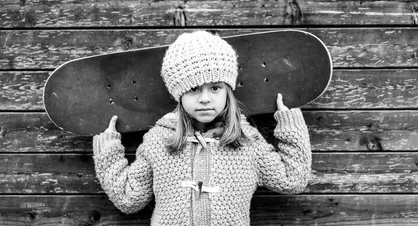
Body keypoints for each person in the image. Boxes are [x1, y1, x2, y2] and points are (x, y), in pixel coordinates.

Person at [92, 30, 311, 225]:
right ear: (179, 93)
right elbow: (129, 200)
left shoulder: (248, 142)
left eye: (215, 87)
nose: (205, 98)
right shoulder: (159, 141)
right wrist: (108, 150)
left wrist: (289, 122)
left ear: (228, 91)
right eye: (194, 89)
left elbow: (293, 180)